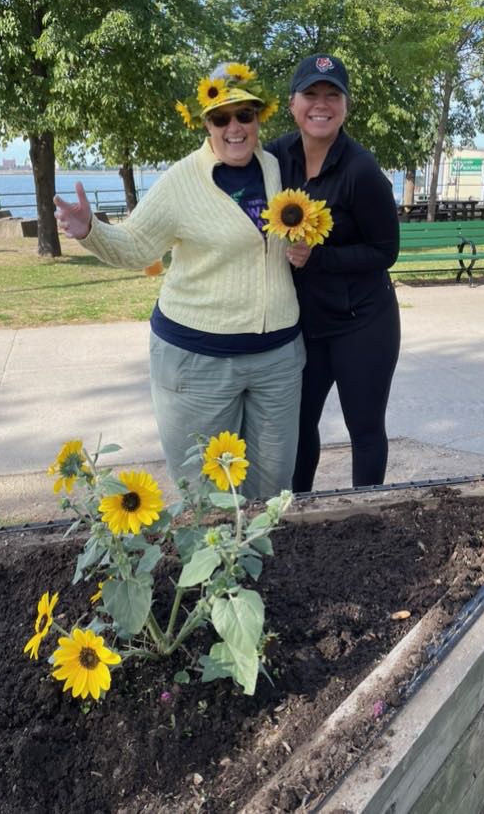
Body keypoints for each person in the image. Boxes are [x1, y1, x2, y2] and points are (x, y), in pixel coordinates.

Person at [53, 63, 306, 498]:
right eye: (221, 117)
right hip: (198, 361)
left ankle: (267, 568)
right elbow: (136, 246)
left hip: (277, 359)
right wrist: (90, 230)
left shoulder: (279, 169)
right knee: (207, 495)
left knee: (273, 491)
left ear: (259, 118)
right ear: (205, 122)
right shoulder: (181, 180)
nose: (234, 127)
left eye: (245, 115)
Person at [266, 54, 400, 490]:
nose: (320, 105)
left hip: (363, 321)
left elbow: (386, 251)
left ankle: (367, 520)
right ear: (292, 104)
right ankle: (297, 515)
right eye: (310, 94)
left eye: (332, 95)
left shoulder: (361, 170)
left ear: (345, 107)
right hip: (302, 323)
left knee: (364, 429)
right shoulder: (274, 158)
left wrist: (319, 257)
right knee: (299, 426)